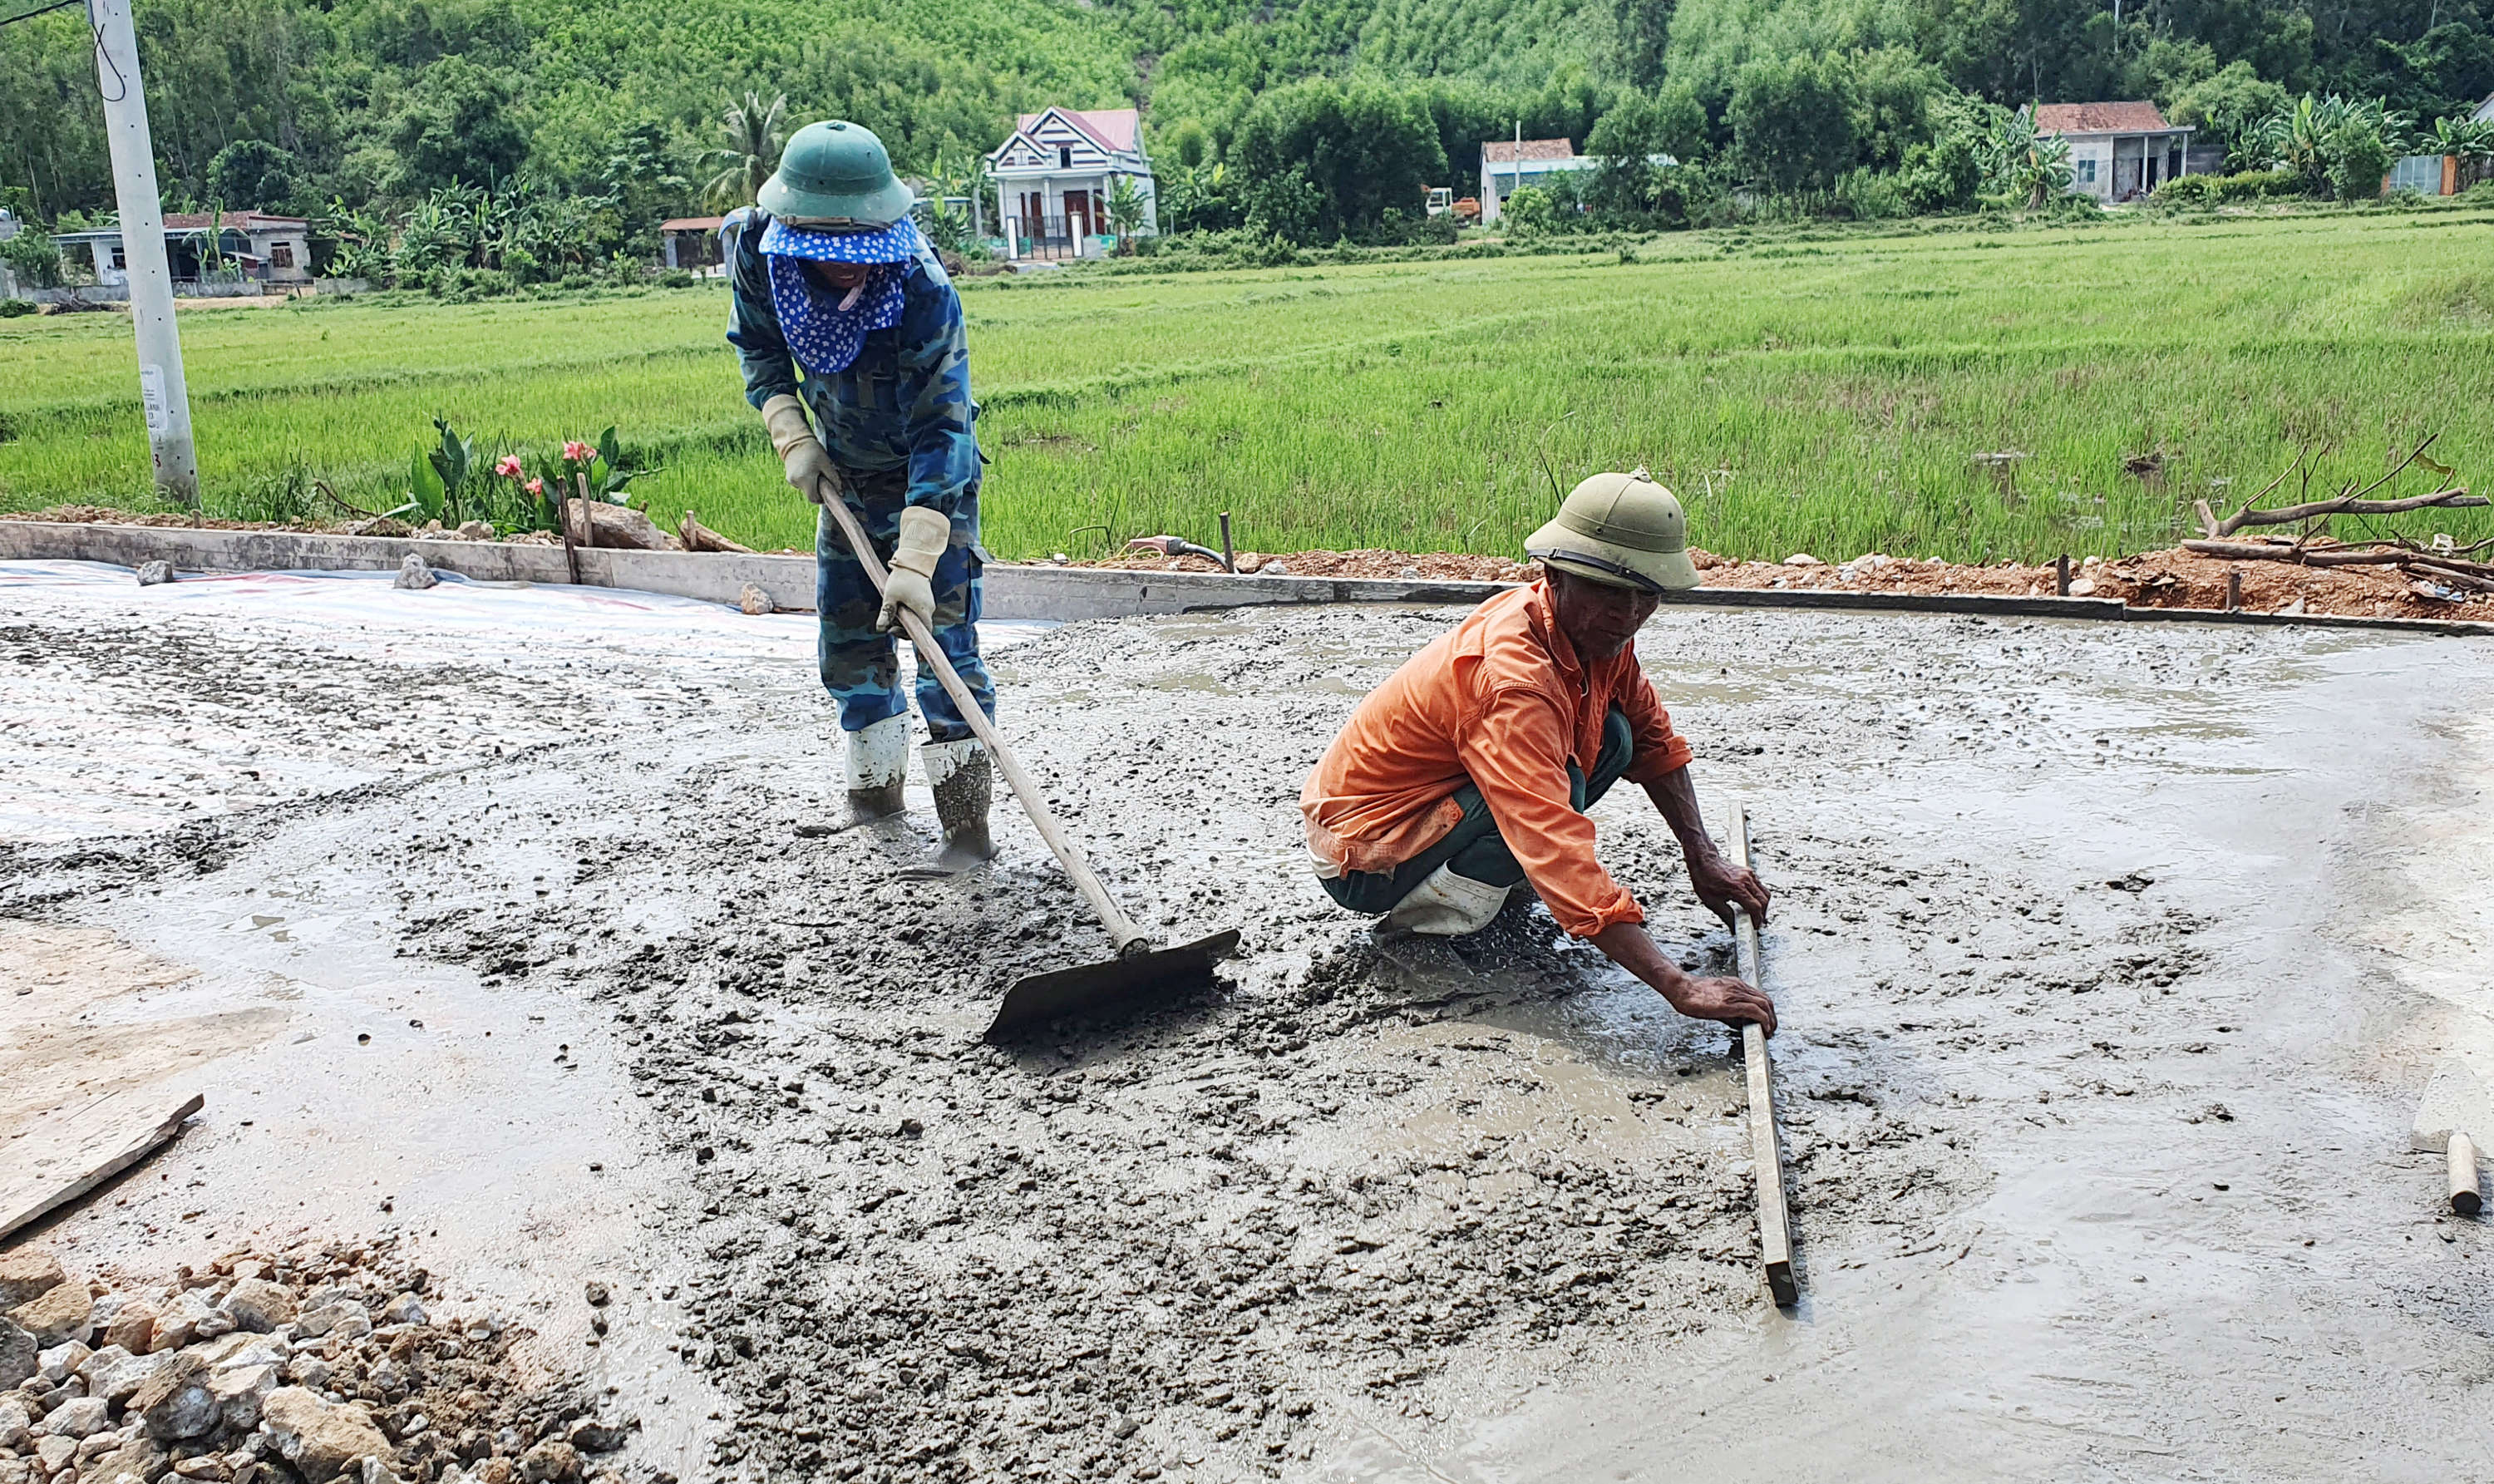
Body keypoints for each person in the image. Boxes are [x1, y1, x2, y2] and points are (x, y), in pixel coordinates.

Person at [1299, 470, 1778, 1034]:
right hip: (1364, 851)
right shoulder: (1514, 681)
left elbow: (1652, 738)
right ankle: (1425, 926)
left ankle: (1487, 884)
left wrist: (1702, 855)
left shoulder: (1595, 635)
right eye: (1609, 591)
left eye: (1644, 594)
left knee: (1616, 739)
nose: (1627, 614)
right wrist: (1679, 985)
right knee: (1562, 791)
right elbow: (1552, 838)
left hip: (1435, 804)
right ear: (1555, 576)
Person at [725, 119, 994, 870]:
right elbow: (759, 348)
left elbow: (946, 427)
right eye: (827, 255)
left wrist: (916, 553)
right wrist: (791, 431)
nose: (845, 268)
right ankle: (873, 798)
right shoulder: (758, 252)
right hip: (842, 474)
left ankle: (968, 835)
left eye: (858, 254)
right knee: (849, 644)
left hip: (927, 484)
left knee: (945, 653)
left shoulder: (921, 289)